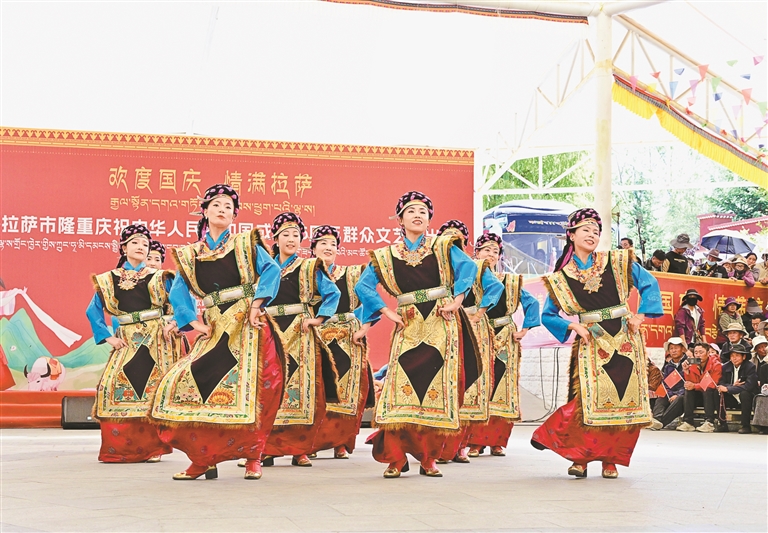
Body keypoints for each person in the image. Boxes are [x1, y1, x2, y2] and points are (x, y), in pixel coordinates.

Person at [150, 184, 283, 481]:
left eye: (228, 207)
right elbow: (179, 291)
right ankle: (203, 459)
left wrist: (256, 305)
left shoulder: (246, 243)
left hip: (248, 324)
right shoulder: (190, 254)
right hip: (214, 325)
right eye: (216, 205)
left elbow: (271, 270)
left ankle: (253, 457)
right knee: (196, 382)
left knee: (257, 390)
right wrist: (194, 323)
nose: (222, 210)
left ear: (234, 216)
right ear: (205, 211)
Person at [530, 208, 663, 479]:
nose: (592, 235)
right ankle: (580, 458)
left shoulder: (616, 261)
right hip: (591, 340)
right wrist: (574, 325)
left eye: (596, 231)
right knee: (587, 400)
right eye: (586, 230)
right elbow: (548, 315)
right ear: (571, 235)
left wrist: (639, 316)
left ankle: (610, 460)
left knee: (622, 399)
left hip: (624, 336)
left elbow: (649, 283)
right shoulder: (561, 277)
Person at [355, 191, 479, 478]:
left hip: (440, 323)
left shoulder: (443, 246)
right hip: (408, 325)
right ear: (400, 219)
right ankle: (395, 458)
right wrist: (386, 312)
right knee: (400, 389)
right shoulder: (387, 255)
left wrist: (457, 300)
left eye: (423, 211)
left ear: (429, 220)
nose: (418, 215)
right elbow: (363, 286)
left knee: (434, 391)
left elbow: (469, 267)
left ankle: (429, 458)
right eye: (411, 211)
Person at [86, 224, 182, 463]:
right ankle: (119, 448)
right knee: (113, 386)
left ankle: (154, 448)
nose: (141, 247)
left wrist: (174, 323)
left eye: (145, 244)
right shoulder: (109, 280)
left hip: (156, 340)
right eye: (135, 243)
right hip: (126, 339)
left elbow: (180, 302)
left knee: (153, 389)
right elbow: (93, 310)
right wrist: (108, 336)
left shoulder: (160, 277)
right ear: (123, 248)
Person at [261, 212, 341, 468]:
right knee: (270, 385)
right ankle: (267, 448)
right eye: (285, 234)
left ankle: (299, 449)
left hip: (299, 330)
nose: (291, 239)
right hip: (271, 329)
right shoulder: (265, 267)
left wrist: (318, 319)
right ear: (276, 239)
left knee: (303, 388)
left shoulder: (309, 267)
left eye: (296, 235)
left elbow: (332, 293)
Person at [464, 232, 541, 458]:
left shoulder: (510, 281)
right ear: (476, 253)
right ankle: (474, 442)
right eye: (486, 250)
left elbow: (531, 303)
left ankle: (497, 441)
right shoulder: (468, 278)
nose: (491, 254)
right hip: (478, 335)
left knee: (502, 387)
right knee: (478, 385)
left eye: (495, 251)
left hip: (505, 336)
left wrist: (524, 329)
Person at [434, 221, 504, 464]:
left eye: (456, 239)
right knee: (441, 381)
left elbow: (495, 287)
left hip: (470, 324)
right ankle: (437, 445)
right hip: (440, 324)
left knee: (469, 383)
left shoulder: (476, 266)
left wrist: (479, 313)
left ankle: (461, 445)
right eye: (446, 237)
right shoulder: (433, 264)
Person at [307, 225, 376, 460]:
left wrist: (363, 327)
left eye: (333, 244)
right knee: (318, 389)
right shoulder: (305, 274)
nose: (328, 248)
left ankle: (341, 442)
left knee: (347, 390)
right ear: (313, 248)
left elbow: (370, 298)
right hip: (316, 337)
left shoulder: (353, 273)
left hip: (347, 337)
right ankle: (312, 441)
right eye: (323, 243)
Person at [677, 342, 722, 433]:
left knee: (708, 389)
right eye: (696, 353)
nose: (698, 355)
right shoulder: (693, 363)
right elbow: (692, 382)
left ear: (708, 353)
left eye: (701, 352)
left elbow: (713, 384)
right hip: (699, 394)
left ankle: (709, 422)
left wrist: (694, 386)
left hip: (712, 395)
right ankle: (688, 422)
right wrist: (687, 372)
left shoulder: (716, 364)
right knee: (688, 390)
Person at [717, 344, 758, 434]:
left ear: (744, 357)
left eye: (737, 355)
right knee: (719, 393)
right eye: (732, 356)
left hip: (747, 398)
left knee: (745, 394)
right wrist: (731, 386)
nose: (734, 358)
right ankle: (722, 424)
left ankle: (745, 426)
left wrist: (730, 389)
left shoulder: (750, 367)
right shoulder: (725, 367)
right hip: (732, 397)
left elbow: (749, 386)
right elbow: (721, 382)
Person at [650, 337, 687, 430]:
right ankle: (656, 418)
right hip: (671, 392)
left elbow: (690, 382)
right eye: (671, 348)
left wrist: (677, 394)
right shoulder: (668, 366)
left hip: (685, 393)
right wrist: (670, 394)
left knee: (679, 399)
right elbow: (666, 384)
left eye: (676, 348)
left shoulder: (688, 363)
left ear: (682, 349)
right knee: (662, 394)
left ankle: (662, 422)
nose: (673, 351)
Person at [750, 336, 768, 434]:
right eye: (760, 347)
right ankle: (763, 425)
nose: (763, 349)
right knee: (761, 397)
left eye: (765, 346)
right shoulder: (764, 367)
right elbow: (763, 383)